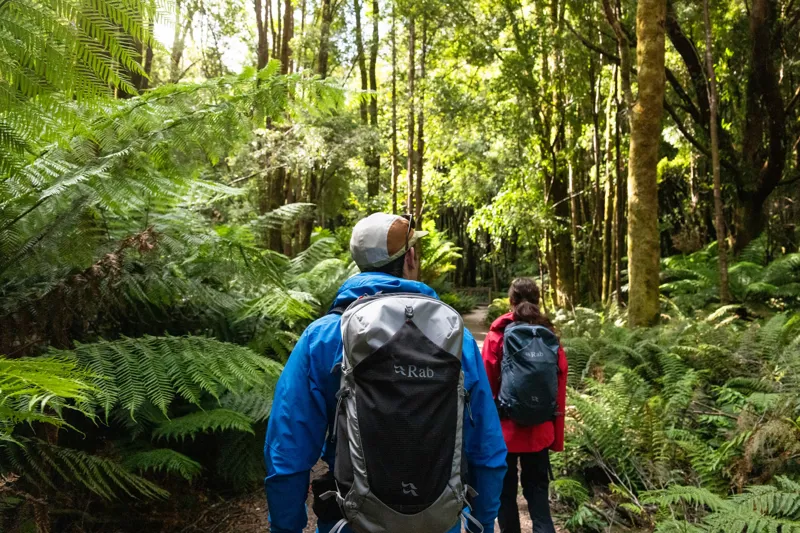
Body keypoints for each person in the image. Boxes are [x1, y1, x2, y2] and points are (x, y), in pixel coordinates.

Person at [264, 212, 507, 533]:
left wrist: (285, 528)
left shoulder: (323, 337)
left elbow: (287, 451)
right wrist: (484, 523)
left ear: (359, 265)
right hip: (438, 522)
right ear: (410, 257)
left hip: (351, 522)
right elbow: (488, 450)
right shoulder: (454, 338)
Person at [482, 278, 568, 533]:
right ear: (538, 301)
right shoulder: (549, 336)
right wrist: (556, 436)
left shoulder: (498, 335)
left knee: (505, 496)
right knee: (538, 496)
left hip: (504, 431)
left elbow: (486, 385)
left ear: (511, 301)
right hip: (539, 431)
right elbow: (560, 384)